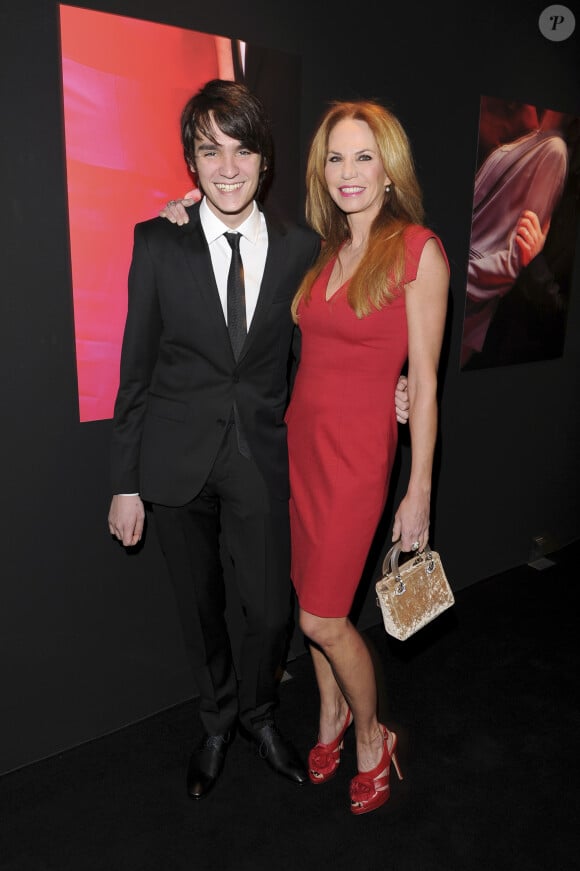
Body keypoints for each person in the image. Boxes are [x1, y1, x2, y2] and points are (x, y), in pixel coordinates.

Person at [110, 79, 410, 802]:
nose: (227, 166)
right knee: (200, 610)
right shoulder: (157, 242)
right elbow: (136, 367)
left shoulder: (304, 247)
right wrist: (124, 480)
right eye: (210, 150)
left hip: (266, 460)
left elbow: (336, 339)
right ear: (191, 159)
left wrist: (389, 388)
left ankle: (258, 712)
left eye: (243, 149)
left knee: (273, 612)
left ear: (265, 159)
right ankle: (217, 722)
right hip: (175, 463)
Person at [286, 100, 449, 815]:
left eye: (362, 156)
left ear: (389, 169)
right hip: (299, 451)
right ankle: (330, 714)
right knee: (308, 604)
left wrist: (418, 491)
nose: (347, 172)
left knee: (323, 617)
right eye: (335, 157)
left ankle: (372, 735)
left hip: (356, 460)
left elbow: (427, 378)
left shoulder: (418, 249)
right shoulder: (326, 251)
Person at [460, 99, 570, 367]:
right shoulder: (532, 140)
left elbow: (514, 259)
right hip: (463, 285)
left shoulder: (553, 151)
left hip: (471, 302)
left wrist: (457, 274)